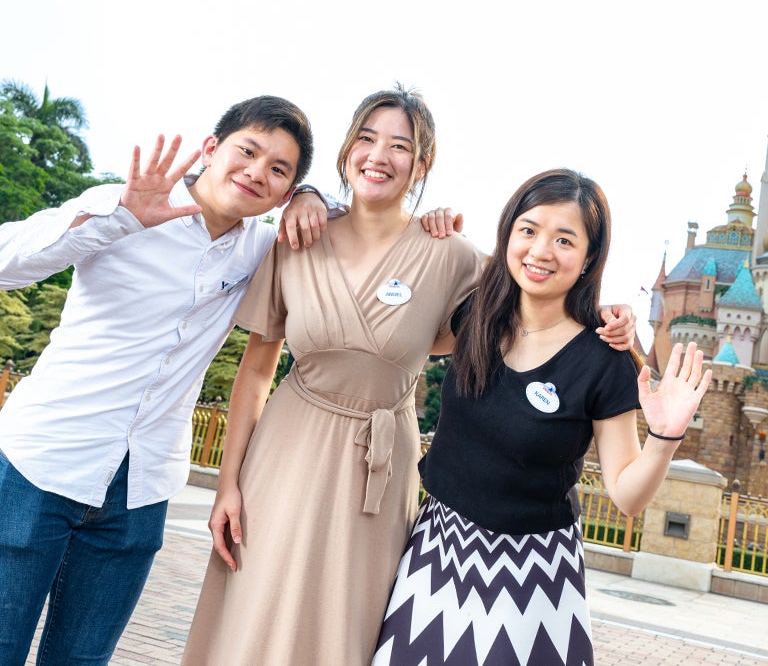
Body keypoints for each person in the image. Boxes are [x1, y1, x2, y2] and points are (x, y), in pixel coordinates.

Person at [181, 89, 636, 665]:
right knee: (257, 601)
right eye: (367, 139)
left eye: (401, 146)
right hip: (286, 450)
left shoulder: (449, 255)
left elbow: (538, 286)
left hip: (379, 463)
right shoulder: (297, 235)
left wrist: (613, 320)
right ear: (347, 149)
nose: (379, 155)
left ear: (422, 166)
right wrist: (228, 484)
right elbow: (255, 374)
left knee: (351, 620)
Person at [0, 95, 348, 665]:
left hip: (142, 488)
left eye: (280, 170)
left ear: (285, 192)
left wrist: (313, 196)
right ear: (211, 149)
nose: (257, 172)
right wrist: (119, 219)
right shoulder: (121, 206)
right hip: (41, 462)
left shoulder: (262, 251)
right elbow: (7, 267)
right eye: (248, 151)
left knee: (83, 659)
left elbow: (351, 218)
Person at [372, 169, 712, 666]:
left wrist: (666, 435)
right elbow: (393, 302)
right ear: (508, 233)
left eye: (564, 239)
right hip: (436, 553)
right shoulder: (475, 318)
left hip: (531, 579)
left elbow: (627, 495)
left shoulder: (603, 357)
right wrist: (422, 222)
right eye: (528, 230)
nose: (540, 251)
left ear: (589, 257)